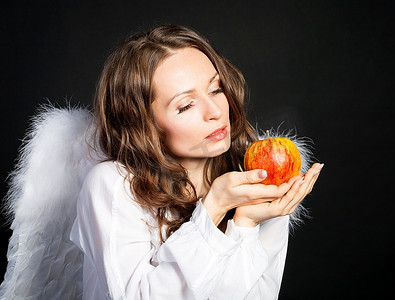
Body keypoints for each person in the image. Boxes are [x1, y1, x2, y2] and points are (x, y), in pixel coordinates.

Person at [69, 24, 323, 299]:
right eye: (186, 105)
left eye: (216, 89)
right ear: (143, 123)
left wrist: (246, 223)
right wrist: (213, 207)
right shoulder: (114, 185)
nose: (215, 111)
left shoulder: (251, 180)